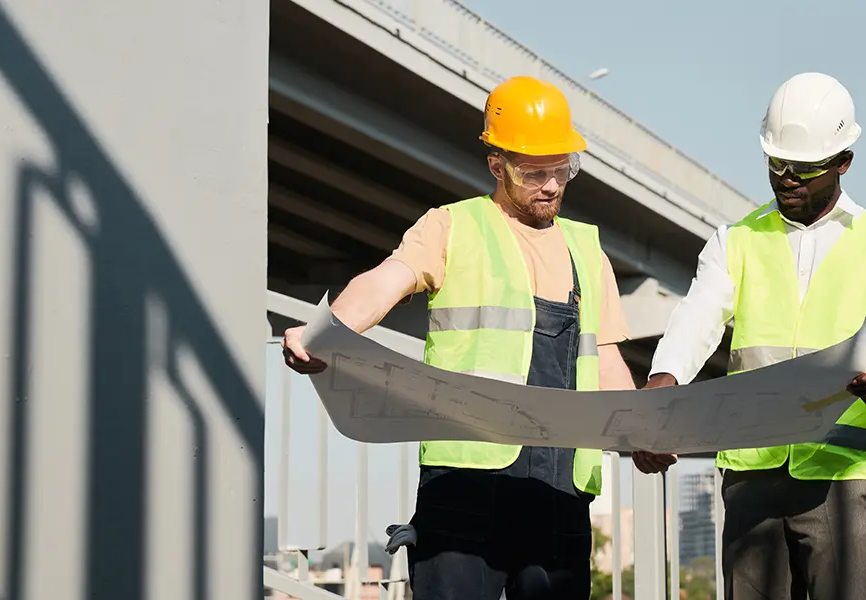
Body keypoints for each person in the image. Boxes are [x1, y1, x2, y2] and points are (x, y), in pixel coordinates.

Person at [281, 75, 671, 600]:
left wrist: (639, 431)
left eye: (563, 168)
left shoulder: (587, 252)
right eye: (536, 172)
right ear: (497, 164)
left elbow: (603, 360)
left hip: (558, 491)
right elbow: (383, 283)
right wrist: (324, 332)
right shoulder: (451, 227)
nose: (552, 185)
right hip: (465, 483)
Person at [643, 72, 866, 600]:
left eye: (802, 169)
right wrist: (664, 380)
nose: (785, 179)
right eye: (775, 164)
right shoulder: (735, 241)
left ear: (843, 162)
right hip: (754, 469)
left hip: (845, 470)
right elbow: (697, 318)